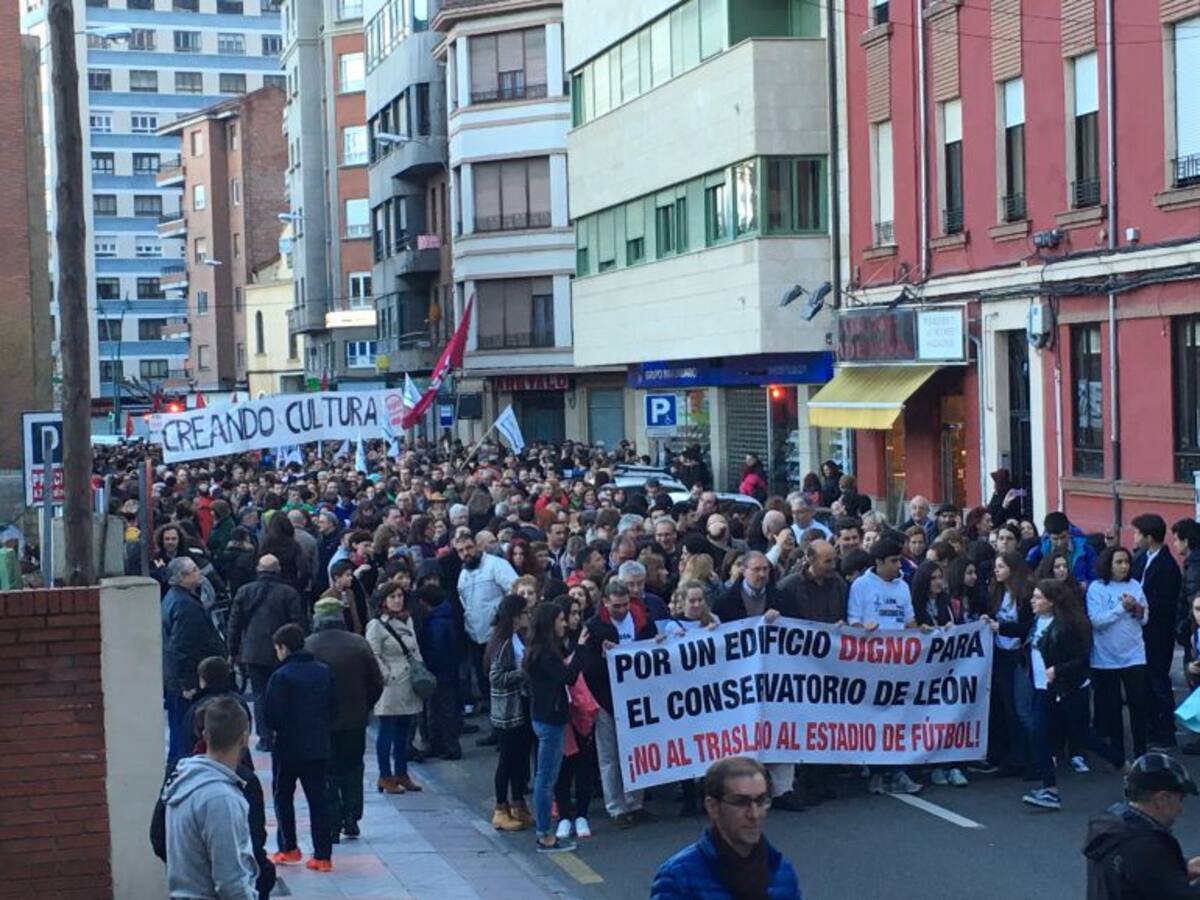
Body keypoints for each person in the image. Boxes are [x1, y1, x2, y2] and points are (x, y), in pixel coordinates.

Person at [650, 756, 803, 900]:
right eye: (741, 802)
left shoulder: (782, 872)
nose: (754, 814)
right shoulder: (679, 877)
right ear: (713, 807)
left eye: (761, 801)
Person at [846, 539, 923, 796]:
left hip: (899, 662)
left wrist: (922, 633)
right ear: (878, 562)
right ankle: (877, 770)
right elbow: (853, 622)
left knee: (898, 716)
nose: (898, 566)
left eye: (899, 560)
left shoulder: (903, 586)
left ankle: (897, 770)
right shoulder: (861, 586)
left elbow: (909, 620)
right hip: (872, 662)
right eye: (893, 561)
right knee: (875, 716)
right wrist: (863, 630)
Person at [162, 697, 258, 900]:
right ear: (244, 738)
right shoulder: (221, 799)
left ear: (205, 735)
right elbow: (230, 882)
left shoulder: (182, 779)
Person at [305, 597, 384, 844]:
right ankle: (352, 817)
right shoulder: (358, 644)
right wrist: (365, 706)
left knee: (327, 771)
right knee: (353, 768)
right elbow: (376, 681)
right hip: (354, 720)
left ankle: (333, 822)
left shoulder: (309, 646)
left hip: (321, 721)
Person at [581, 580, 658, 829]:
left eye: (625, 605)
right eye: (616, 606)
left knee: (638, 751)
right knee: (610, 756)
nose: (622, 610)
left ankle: (635, 803)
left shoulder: (643, 621)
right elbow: (587, 667)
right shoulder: (594, 627)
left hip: (637, 696)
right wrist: (604, 659)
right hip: (607, 698)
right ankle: (616, 807)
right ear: (605, 603)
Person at [264, 624, 336, 872]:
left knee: (283, 796)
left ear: (284, 648)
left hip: (288, 747)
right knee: (319, 800)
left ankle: (289, 848)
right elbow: (334, 705)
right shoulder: (323, 671)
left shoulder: (281, 676)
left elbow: (271, 715)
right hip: (318, 745)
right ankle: (323, 855)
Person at [1084, 752, 1200, 899]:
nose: (1181, 809)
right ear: (1161, 799)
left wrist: (1183, 866)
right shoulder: (1144, 846)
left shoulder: (1113, 826)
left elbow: (1148, 877)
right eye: (1180, 799)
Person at [525, 602, 590, 853]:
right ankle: (544, 834)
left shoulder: (544, 650)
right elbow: (568, 676)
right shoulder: (545, 653)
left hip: (544, 716)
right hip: (550, 719)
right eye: (561, 619)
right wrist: (581, 648)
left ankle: (545, 832)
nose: (565, 624)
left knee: (546, 777)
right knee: (546, 779)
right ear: (550, 623)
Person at [1022, 579, 1092, 811]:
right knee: (1038, 733)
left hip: (1062, 689)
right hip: (1042, 688)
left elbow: (1080, 659)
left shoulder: (1065, 626)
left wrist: (1057, 670)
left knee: (1083, 736)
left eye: (1038, 597)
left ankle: (1124, 766)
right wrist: (996, 626)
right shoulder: (1037, 622)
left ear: (1051, 602)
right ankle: (1050, 789)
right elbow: (1022, 632)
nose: (1033, 601)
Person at [227, 555, 307, 752]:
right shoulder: (289, 593)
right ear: (278, 570)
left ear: (258, 570)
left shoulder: (245, 591)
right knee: (286, 694)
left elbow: (234, 624)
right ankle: (284, 733)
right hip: (284, 651)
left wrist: (232, 650)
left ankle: (265, 737)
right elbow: (298, 623)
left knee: (260, 695)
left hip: (253, 651)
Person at [1087, 546, 1151, 768]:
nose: (1124, 566)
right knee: (1112, 708)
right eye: (1119, 562)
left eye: (1126, 562)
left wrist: (1137, 609)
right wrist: (1121, 608)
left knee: (1139, 705)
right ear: (1108, 565)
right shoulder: (1097, 588)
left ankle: (1141, 752)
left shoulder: (1135, 585)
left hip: (1134, 655)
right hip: (1106, 658)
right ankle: (1118, 756)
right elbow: (1097, 621)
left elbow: (1145, 618)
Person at [162, 556, 228, 770]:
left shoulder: (177, 598)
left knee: (180, 732)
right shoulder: (184, 606)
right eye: (193, 569)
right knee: (184, 735)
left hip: (179, 680)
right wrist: (187, 684)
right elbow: (180, 648)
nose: (199, 572)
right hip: (187, 683)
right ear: (181, 577)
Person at [367, 580, 430, 792]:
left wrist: (420, 668)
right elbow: (373, 653)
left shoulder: (408, 620)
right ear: (383, 600)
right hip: (391, 684)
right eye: (392, 597)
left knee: (405, 731)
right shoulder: (377, 625)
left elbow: (415, 648)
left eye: (400, 596)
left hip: (409, 680)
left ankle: (402, 773)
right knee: (387, 730)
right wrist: (385, 674)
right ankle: (385, 775)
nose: (397, 600)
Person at [1131, 513, 1183, 751]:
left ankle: (1167, 733)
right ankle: (1152, 729)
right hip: (1141, 632)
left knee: (1158, 681)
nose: (1134, 537)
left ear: (1149, 537)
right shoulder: (1142, 559)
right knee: (1147, 682)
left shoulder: (1167, 566)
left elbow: (1166, 603)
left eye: (1137, 533)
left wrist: (1141, 607)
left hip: (1158, 633)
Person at [486, 594, 534, 832]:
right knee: (507, 759)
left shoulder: (519, 638)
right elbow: (496, 676)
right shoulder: (503, 643)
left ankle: (517, 803)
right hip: (507, 710)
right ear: (515, 616)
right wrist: (523, 672)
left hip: (521, 704)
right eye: (525, 613)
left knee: (520, 758)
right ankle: (500, 807)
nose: (528, 616)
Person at [457, 532, 519, 716]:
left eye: (469, 548)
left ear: (477, 546)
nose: (465, 553)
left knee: (501, 680)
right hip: (475, 636)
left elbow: (514, 590)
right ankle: (492, 716)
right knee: (484, 679)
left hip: (498, 634)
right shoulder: (463, 574)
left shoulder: (496, 565)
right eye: (460, 551)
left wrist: (502, 618)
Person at [1026, 511, 1098, 586]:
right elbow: (1026, 574)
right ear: (1048, 536)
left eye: (1063, 537)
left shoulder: (1086, 550)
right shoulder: (1038, 552)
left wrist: (1087, 584)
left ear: (1069, 532)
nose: (1060, 543)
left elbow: (1096, 578)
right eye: (1055, 539)